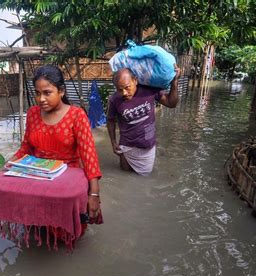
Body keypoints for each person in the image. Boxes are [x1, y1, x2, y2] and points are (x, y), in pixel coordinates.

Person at [11, 65, 102, 221]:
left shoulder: (76, 115)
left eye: (47, 93)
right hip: (38, 177)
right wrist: (8, 166)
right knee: (37, 224)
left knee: (63, 228)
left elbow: (89, 156)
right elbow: (26, 148)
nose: (41, 99)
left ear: (61, 91)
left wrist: (93, 193)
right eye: (37, 93)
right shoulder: (33, 113)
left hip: (67, 180)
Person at [106, 66, 180, 175]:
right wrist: (113, 142)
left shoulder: (148, 91)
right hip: (127, 147)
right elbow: (110, 120)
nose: (124, 93)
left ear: (135, 80)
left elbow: (171, 103)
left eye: (127, 87)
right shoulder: (114, 100)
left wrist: (174, 82)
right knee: (125, 177)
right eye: (119, 89)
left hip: (147, 147)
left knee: (145, 181)